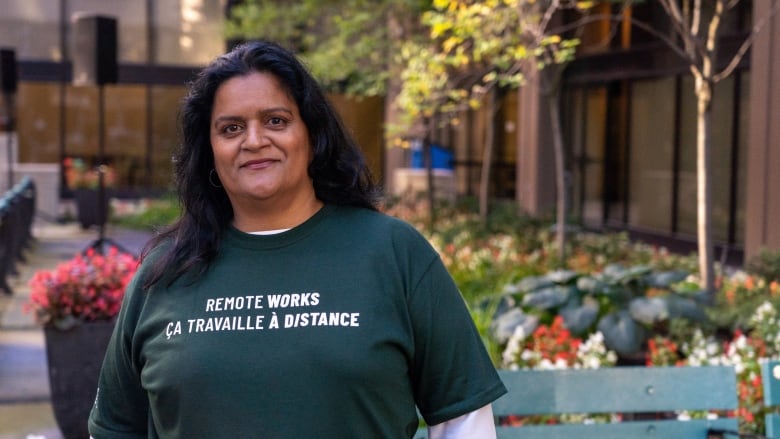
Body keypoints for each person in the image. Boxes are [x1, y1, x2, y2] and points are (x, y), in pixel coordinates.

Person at [88, 40, 507, 439]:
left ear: (312, 135)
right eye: (231, 128)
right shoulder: (164, 273)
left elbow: (463, 422)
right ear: (210, 149)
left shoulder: (393, 252)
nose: (254, 141)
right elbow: (115, 427)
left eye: (276, 120)